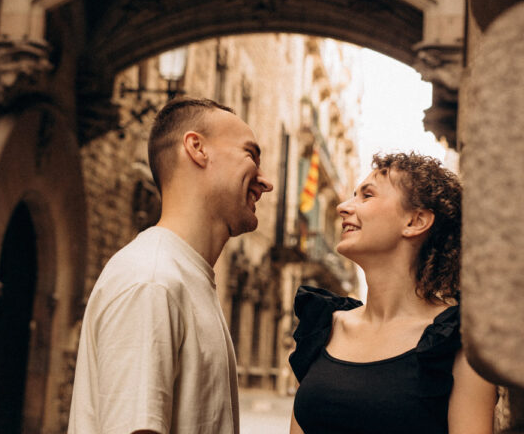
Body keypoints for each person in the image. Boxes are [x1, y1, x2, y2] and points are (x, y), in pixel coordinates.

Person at [68, 97, 273, 434]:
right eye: (251, 155)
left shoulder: (182, 277)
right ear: (197, 148)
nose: (266, 182)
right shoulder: (152, 280)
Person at [288, 152, 496, 434]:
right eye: (353, 195)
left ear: (415, 221)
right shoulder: (323, 325)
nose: (343, 207)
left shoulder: (454, 342)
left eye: (367, 196)